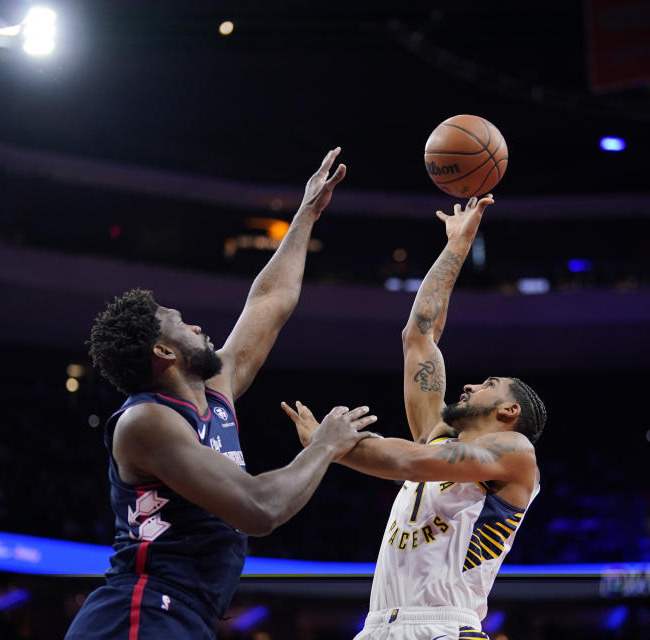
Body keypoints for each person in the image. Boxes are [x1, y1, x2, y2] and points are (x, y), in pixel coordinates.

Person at [65, 148, 379, 639]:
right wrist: (325, 446)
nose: (196, 325)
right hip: (140, 612)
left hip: (184, 613)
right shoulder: (146, 422)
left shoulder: (214, 391)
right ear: (164, 352)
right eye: (182, 324)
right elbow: (258, 509)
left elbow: (270, 301)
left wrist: (305, 214)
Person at [283, 194, 547, 640]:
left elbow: (406, 462)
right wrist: (457, 246)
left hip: (444, 627)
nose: (469, 385)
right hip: (377, 627)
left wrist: (328, 447)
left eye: (487, 384)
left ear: (509, 410)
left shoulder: (515, 453)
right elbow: (419, 335)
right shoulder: (436, 437)